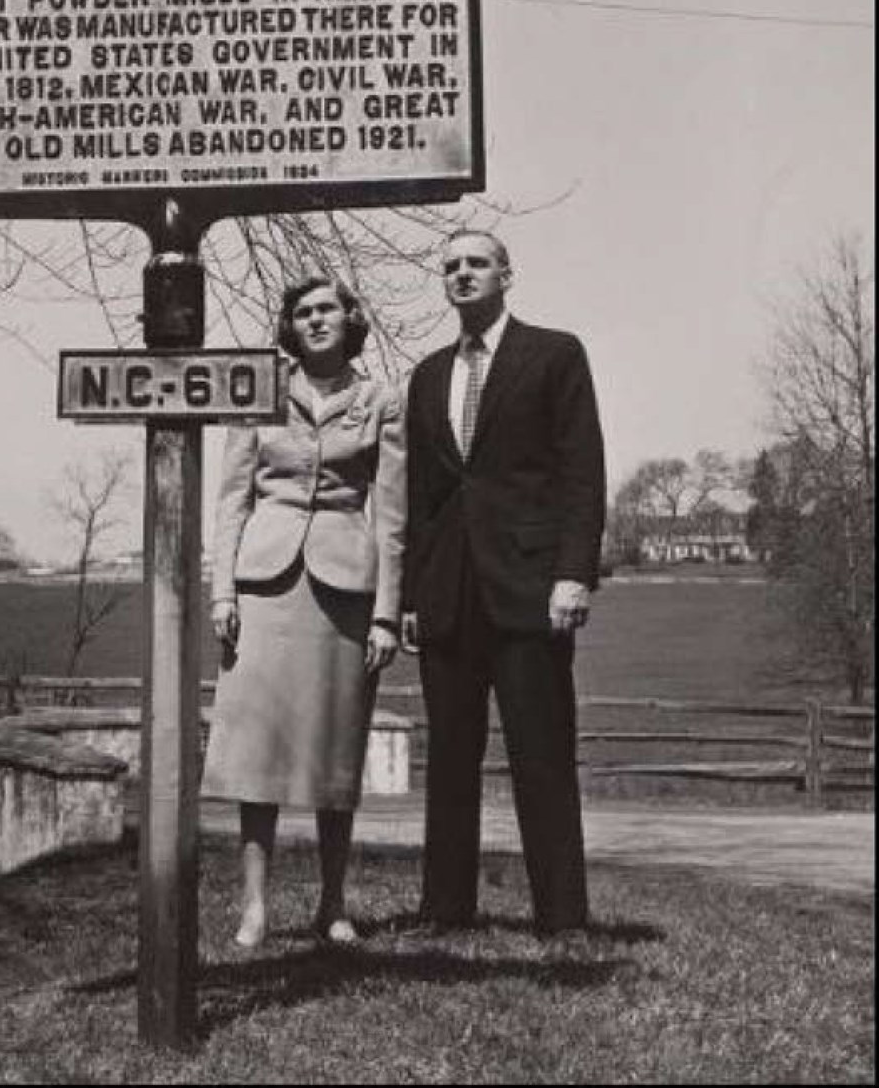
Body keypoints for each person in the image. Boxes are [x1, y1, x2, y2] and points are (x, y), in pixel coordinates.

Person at [402, 230, 606, 936]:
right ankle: (446, 911)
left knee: (541, 758)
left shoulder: (554, 355)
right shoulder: (428, 375)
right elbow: (421, 496)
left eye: (477, 263)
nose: (463, 274)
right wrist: (408, 598)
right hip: (448, 597)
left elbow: (583, 474)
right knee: (450, 761)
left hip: (530, 594)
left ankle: (563, 919)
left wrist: (574, 574)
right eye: (451, 266)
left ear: (506, 275)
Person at [202, 277, 406, 948]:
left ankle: (333, 903)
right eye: (303, 312)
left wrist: (386, 612)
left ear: (350, 320)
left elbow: (394, 515)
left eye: (328, 310)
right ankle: (254, 907)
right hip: (264, 585)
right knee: (256, 749)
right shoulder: (258, 389)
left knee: (334, 747)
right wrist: (223, 590)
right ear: (290, 324)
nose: (316, 320)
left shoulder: (380, 400)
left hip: (345, 588)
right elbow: (232, 499)